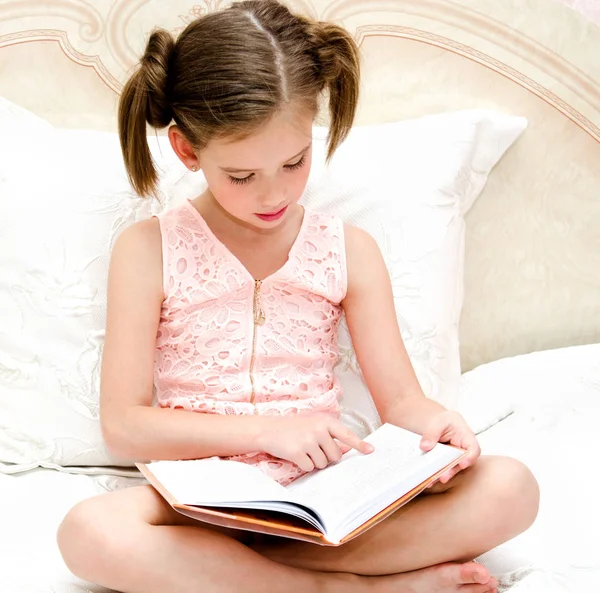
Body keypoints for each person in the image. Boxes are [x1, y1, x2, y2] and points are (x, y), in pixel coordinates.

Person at [57, 1, 539, 592]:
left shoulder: (349, 250)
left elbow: (404, 404)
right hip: (199, 505)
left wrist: (439, 429)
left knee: (510, 488)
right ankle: (345, 588)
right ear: (187, 150)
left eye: (294, 162)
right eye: (241, 176)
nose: (273, 193)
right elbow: (125, 425)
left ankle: (249, 577)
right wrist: (265, 433)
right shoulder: (147, 249)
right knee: (89, 532)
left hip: (325, 500)